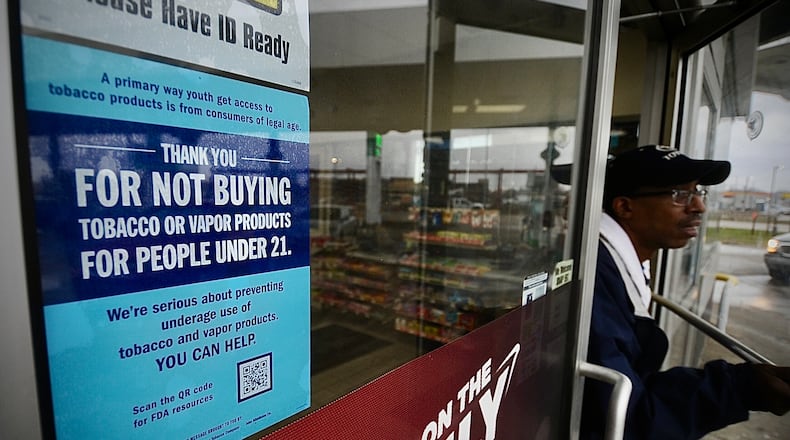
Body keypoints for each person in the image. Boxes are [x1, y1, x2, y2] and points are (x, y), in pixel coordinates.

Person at [568, 145, 790, 439]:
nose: (699, 206)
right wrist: (739, 388)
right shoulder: (594, 277)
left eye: (699, 192)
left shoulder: (617, 263)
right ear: (625, 207)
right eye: (680, 195)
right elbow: (627, 419)